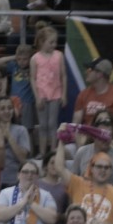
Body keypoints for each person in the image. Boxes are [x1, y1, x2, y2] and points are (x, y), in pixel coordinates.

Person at [30, 25, 65, 160]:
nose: (54, 45)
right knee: (43, 124)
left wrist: (64, 94)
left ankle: (53, 150)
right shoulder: (35, 58)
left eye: (55, 42)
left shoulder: (59, 55)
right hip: (42, 95)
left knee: (52, 124)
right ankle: (43, 152)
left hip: (55, 93)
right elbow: (33, 78)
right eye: (51, 42)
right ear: (41, 42)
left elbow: (63, 76)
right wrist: (37, 96)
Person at [72, 59, 113, 142]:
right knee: (65, 150)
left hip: (107, 141)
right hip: (84, 140)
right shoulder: (83, 94)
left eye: (90, 70)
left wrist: (104, 142)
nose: (86, 72)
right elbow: (75, 123)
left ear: (99, 74)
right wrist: (81, 144)